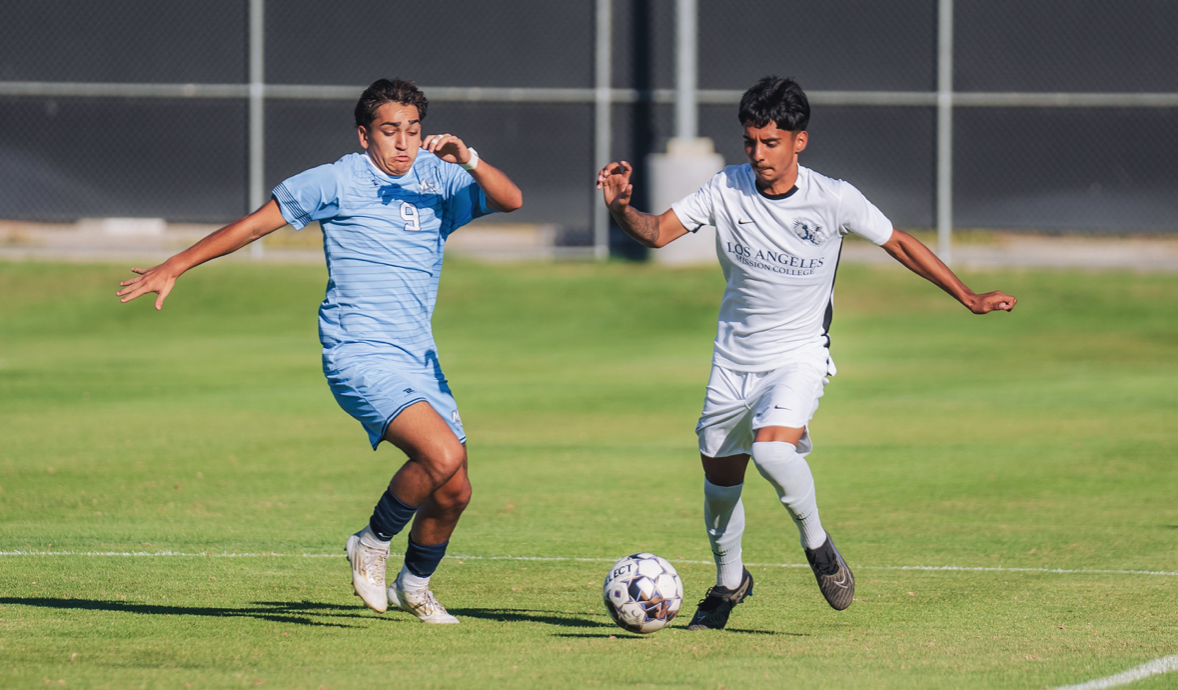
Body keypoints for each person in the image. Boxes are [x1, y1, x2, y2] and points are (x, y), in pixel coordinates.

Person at [596, 75, 1015, 631]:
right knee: (720, 491)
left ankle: (819, 547)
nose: (758, 154)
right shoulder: (725, 188)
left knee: (773, 454)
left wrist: (968, 296)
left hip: (799, 355)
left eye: (771, 142)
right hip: (732, 362)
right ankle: (728, 585)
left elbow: (899, 242)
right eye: (750, 141)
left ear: (799, 141)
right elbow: (654, 233)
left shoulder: (833, 198)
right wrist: (623, 207)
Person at [117, 78, 522, 624]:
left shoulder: (437, 179)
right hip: (357, 352)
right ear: (364, 135)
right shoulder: (334, 181)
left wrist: (469, 158)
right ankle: (372, 542)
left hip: (418, 357)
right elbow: (253, 226)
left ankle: (416, 584)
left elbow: (510, 199)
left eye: (412, 131)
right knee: (441, 456)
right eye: (388, 131)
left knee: (455, 490)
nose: (402, 143)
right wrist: (175, 266)